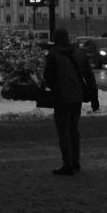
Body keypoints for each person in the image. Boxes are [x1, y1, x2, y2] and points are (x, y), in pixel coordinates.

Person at [43, 28, 99, 176]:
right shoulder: (80, 53)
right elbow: (89, 76)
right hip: (78, 97)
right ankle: (75, 161)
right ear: (67, 38)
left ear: (55, 39)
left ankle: (67, 165)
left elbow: (48, 77)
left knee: (63, 131)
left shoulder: (53, 54)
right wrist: (94, 96)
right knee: (74, 128)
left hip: (62, 97)